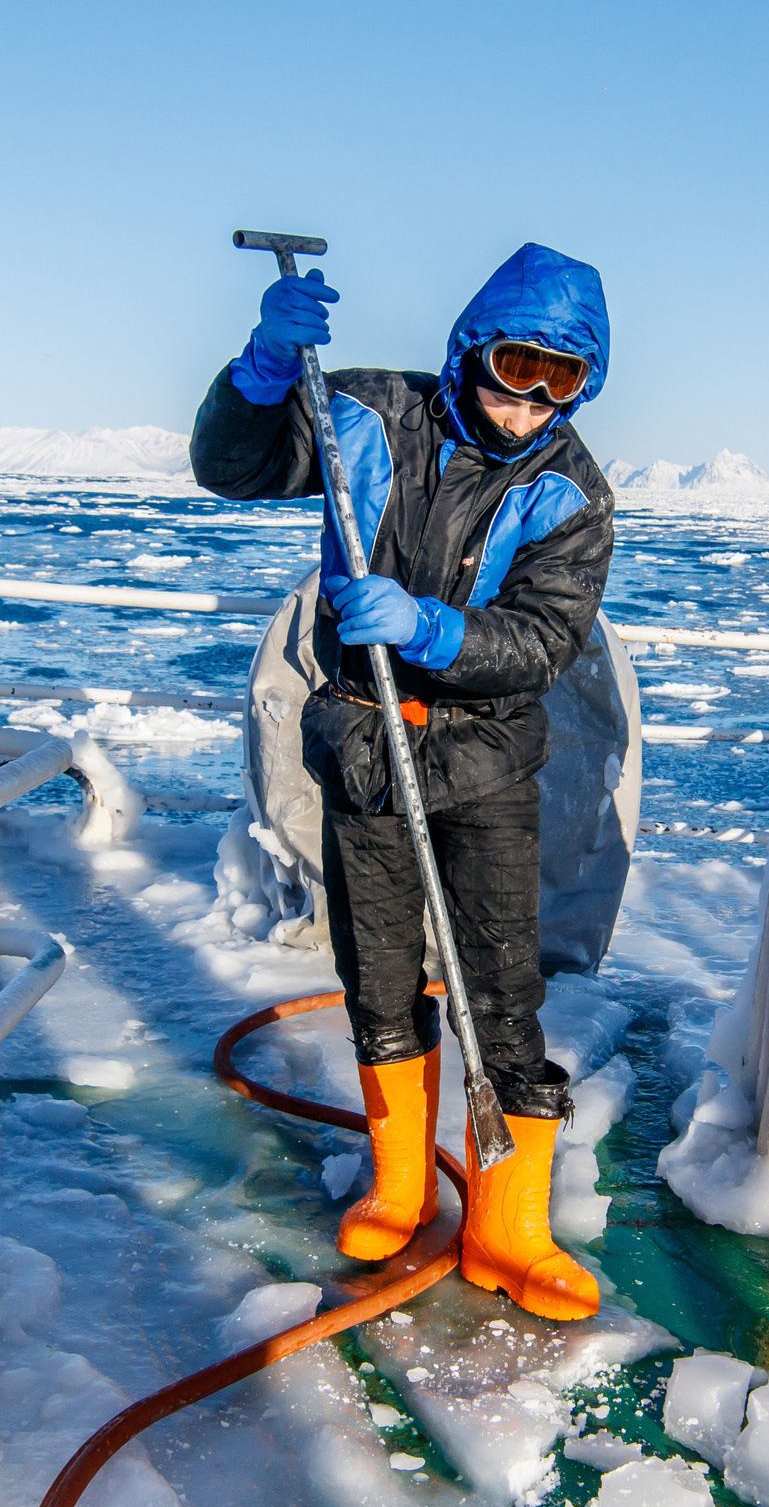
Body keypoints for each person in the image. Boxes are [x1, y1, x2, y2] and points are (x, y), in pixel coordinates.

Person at [191, 244, 615, 1321]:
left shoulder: (573, 493)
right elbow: (232, 468)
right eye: (516, 366)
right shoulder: (367, 413)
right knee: (378, 975)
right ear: (471, 351)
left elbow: (543, 639)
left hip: (483, 760)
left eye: (560, 381)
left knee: (499, 990)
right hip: (364, 742)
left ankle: (511, 1227)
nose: (528, 403)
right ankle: (397, 1183)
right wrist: (261, 374)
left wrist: (431, 629)